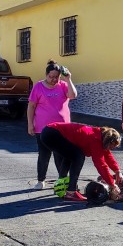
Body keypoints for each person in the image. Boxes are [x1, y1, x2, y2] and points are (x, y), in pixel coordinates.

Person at [40, 122, 123, 202]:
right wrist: (112, 185)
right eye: (112, 146)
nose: (112, 149)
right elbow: (100, 164)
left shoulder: (101, 136)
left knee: (71, 155)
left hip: (48, 131)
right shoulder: (95, 140)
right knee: (78, 157)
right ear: (108, 142)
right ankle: (71, 192)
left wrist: (118, 171)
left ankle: (62, 187)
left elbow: (107, 155)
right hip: (53, 134)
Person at [27, 60, 77, 189]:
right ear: (46, 74)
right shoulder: (38, 86)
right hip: (42, 127)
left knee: (60, 155)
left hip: (62, 128)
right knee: (44, 154)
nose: (54, 79)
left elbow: (73, 95)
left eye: (57, 77)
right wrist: (30, 124)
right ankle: (41, 180)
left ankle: (62, 181)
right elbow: (31, 106)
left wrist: (68, 79)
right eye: (51, 77)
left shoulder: (63, 85)